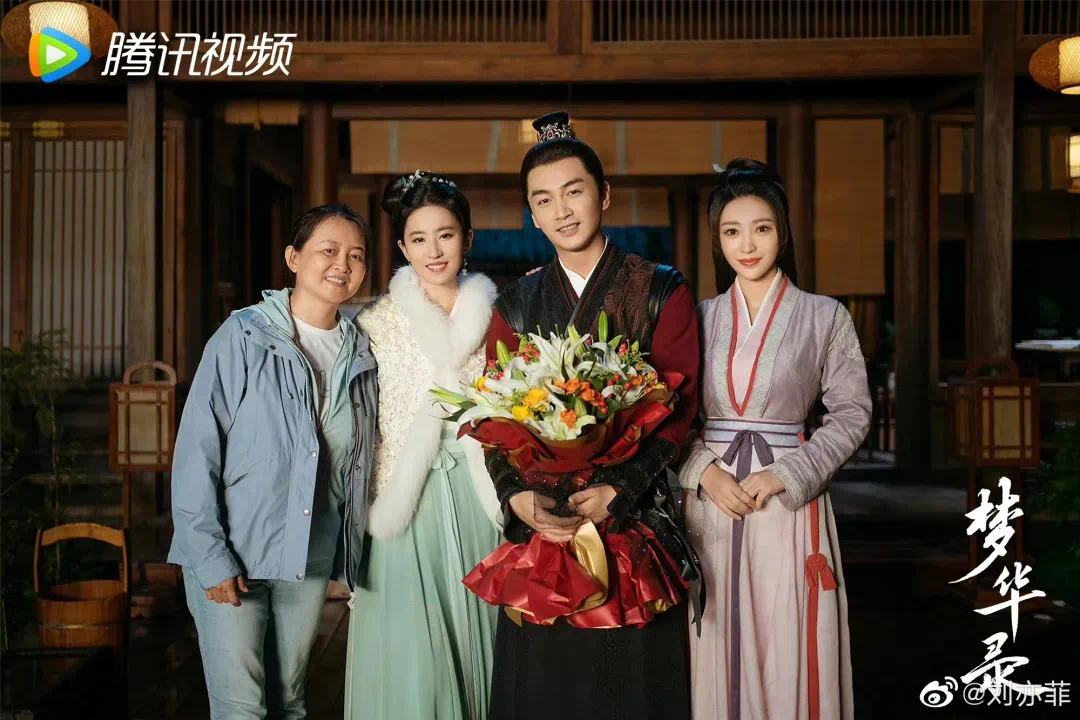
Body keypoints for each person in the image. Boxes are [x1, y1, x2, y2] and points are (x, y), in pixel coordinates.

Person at [483, 112, 701, 720]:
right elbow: (496, 416)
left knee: (628, 689)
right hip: (544, 522)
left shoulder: (659, 288)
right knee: (544, 689)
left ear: (603, 194)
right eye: (543, 200)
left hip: (629, 519)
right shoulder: (516, 303)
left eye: (573, 191)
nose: (562, 211)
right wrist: (515, 496)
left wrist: (620, 490)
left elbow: (680, 411)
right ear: (532, 213)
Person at [168, 204, 378, 719]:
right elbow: (196, 451)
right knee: (242, 709)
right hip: (234, 548)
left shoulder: (363, 351)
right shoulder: (244, 335)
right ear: (293, 257)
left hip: (308, 555)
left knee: (289, 701)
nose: (342, 264)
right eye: (328, 250)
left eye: (356, 256)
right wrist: (210, 555)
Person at [678, 158, 869, 720]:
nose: (747, 244)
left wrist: (787, 474)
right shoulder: (698, 318)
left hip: (786, 502)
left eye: (761, 228)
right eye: (731, 231)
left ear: (782, 234)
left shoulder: (824, 316)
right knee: (716, 627)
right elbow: (671, 416)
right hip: (713, 501)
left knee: (786, 627)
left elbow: (853, 413)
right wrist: (703, 472)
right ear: (717, 240)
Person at [344, 171, 502, 720]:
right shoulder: (375, 323)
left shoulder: (501, 317)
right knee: (411, 647)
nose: (433, 251)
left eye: (446, 235)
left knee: (485, 626)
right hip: (403, 494)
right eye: (419, 238)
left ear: (467, 238)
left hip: (480, 492)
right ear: (402, 246)